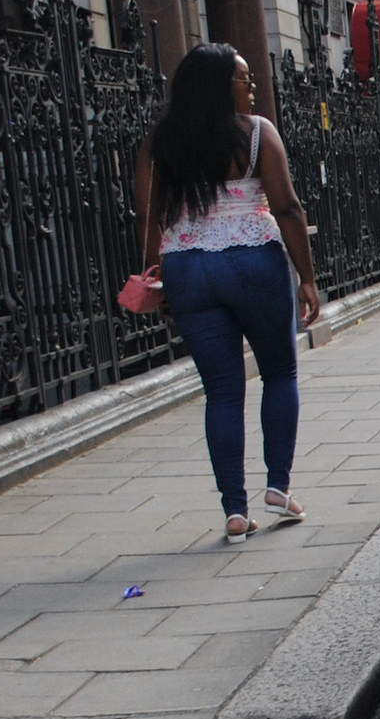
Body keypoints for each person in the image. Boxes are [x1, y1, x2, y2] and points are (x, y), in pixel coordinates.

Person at [135, 45, 323, 542]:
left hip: (188, 268)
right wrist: (306, 276)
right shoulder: (257, 133)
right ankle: (278, 487)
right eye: (244, 78)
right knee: (279, 371)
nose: (252, 86)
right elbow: (287, 208)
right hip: (252, 261)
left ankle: (235, 513)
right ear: (221, 86)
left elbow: (151, 216)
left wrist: (155, 274)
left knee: (221, 390)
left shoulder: (162, 143)